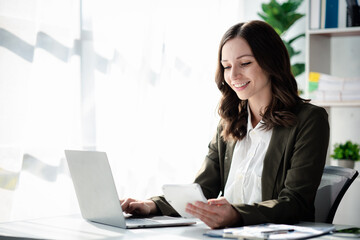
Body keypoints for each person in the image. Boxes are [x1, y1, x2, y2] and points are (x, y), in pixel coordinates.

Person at [120, 20, 330, 229]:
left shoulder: (309, 120)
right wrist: (151, 205)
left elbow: (296, 203)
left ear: (271, 62)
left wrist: (238, 215)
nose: (233, 75)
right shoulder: (229, 122)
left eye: (245, 63)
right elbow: (202, 190)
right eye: (227, 66)